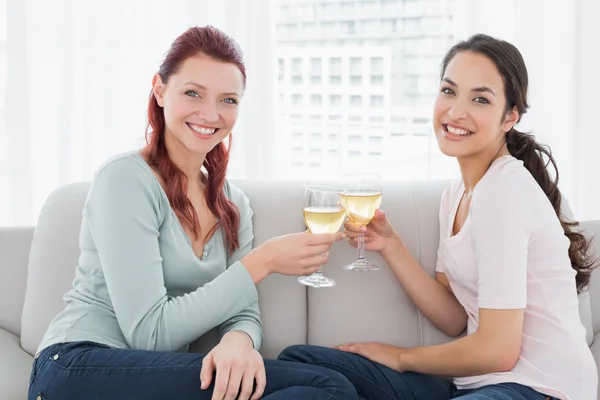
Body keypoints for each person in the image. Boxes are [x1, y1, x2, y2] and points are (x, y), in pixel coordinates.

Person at [28, 25, 358, 400]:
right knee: (327, 387)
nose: (210, 113)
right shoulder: (125, 179)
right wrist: (261, 263)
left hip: (152, 376)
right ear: (160, 90)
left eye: (228, 100)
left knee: (329, 383)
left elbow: (243, 309)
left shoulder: (232, 204)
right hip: (79, 365)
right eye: (192, 93)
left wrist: (238, 341)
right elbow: (149, 334)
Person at [279, 33, 598, 400]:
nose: (456, 111)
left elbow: (499, 350)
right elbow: (453, 317)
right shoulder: (457, 193)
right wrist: (391, 245)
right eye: (449, 91)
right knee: (301, 363)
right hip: (479, 385)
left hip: (541, 388)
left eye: (480, 99)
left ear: (510, 116)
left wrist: (402, 357)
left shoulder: (504, 190)